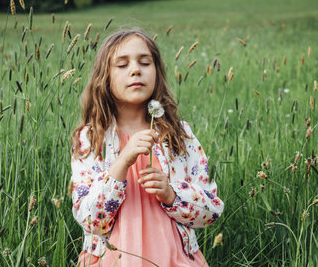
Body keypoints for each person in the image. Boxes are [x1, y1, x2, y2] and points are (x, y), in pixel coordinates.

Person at [71, 28, 224, 266]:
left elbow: (212, 210)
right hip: (112, 260)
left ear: (157, 72)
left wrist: (171, 193)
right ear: (105, 77)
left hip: (174, 259)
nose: (135, 70)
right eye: (122, 65)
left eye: (145, 62)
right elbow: (90, 219)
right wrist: (122, 162)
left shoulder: (179, 135)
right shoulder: (91, 138)